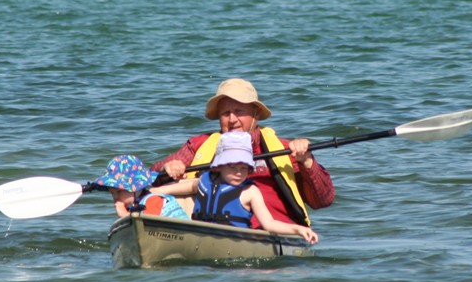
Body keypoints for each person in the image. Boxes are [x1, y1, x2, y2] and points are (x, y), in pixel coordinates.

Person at [151, 78, 334, 228]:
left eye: (239, 111)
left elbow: (323, 201)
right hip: (211, 230)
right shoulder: (199, 145)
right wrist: (166, 170)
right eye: (226, 113)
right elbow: (149, 177)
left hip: (273, 233)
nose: (232, 120)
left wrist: (307, 161)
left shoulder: (286, 149)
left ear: (256, 114)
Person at [156, 132, 319, 244]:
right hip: (200, 235)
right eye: (232, 167)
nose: (238, 173)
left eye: (243, 168)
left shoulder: (250, 192)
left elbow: (269, 224)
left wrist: (298, 230)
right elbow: (176, 188)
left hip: (235, 241)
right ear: (219, 167)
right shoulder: (205, 181)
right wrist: (151, 192)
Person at [94, 154, 189, 219]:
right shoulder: (136, 204)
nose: (116, 198)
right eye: (112, 193)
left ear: (136, 188)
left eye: (119, 192)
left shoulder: (152, 199)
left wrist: (125, 215)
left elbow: (148, 225)